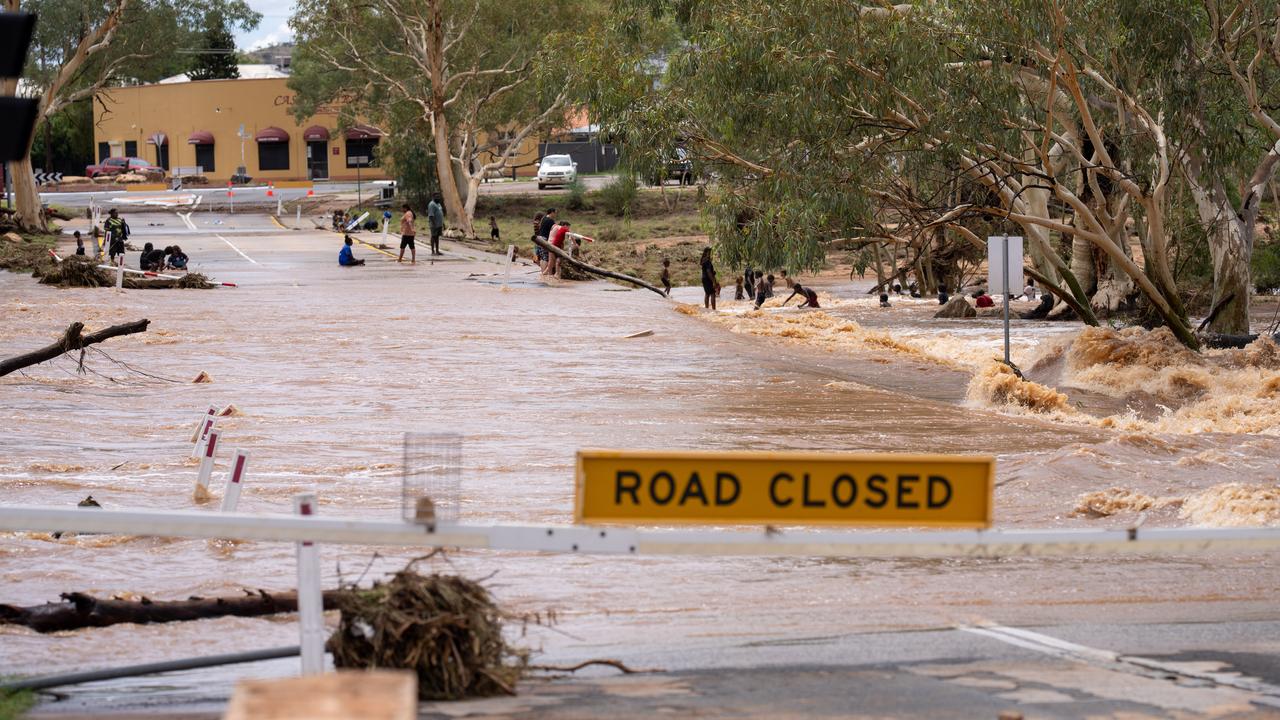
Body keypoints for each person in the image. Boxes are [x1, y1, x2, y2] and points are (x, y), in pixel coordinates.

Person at [538, 209, 558, 275]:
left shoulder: (543, 218)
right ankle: (545, 274)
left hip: (539, 238)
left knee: (542, 257)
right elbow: (556, 228)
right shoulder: (550, 220)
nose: (555, 215)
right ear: (552, 213)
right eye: (555, 213)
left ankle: (542, 272)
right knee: (546, 258)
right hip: (545, 239)